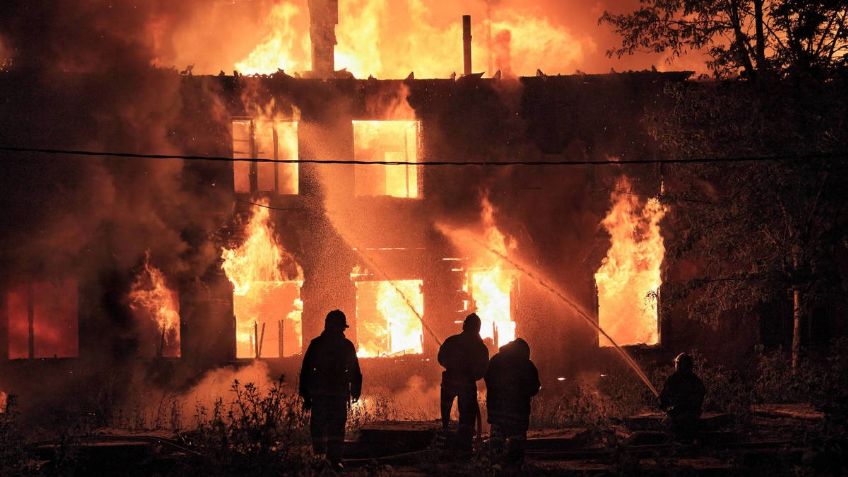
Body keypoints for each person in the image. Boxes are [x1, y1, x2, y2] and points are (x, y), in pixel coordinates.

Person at [299, 310, 362, 470]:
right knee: (335, 427)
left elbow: (306, 371)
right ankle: (332, 460)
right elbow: (355, 371)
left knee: (321, 427)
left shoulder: (317, 344)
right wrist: (355, 390)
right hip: (336, 395)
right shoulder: (345, 345)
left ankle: (324, 459)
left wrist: (306, 396)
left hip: (322, 395)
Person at [437, 313, 489, 451]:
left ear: (465, 325)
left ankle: (444, 440)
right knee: (467, 416)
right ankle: (464, 447)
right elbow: (483, 369)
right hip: (467, 384)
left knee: (445, 412)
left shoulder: (452, 341)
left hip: (449, 382)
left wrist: (452, 367)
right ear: (478, 328)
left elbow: (441, 358)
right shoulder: (480, 348)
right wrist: (471, 376)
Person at [484, 338, 541, 465]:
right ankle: (515, 469)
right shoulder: (527, 365)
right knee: (517, 444)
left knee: (496, 444)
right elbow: (534, 388)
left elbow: (488, 379)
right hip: (518, 414)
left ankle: (493, 468)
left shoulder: (495, 360)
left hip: (496, 412)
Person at [659, 352, 706, 440]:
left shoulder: (693, 380)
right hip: (683, 412)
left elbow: (698, 397)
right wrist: (663, 403)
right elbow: (664, 396)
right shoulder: (675, 379)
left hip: (687, 413)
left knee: (669, 426)